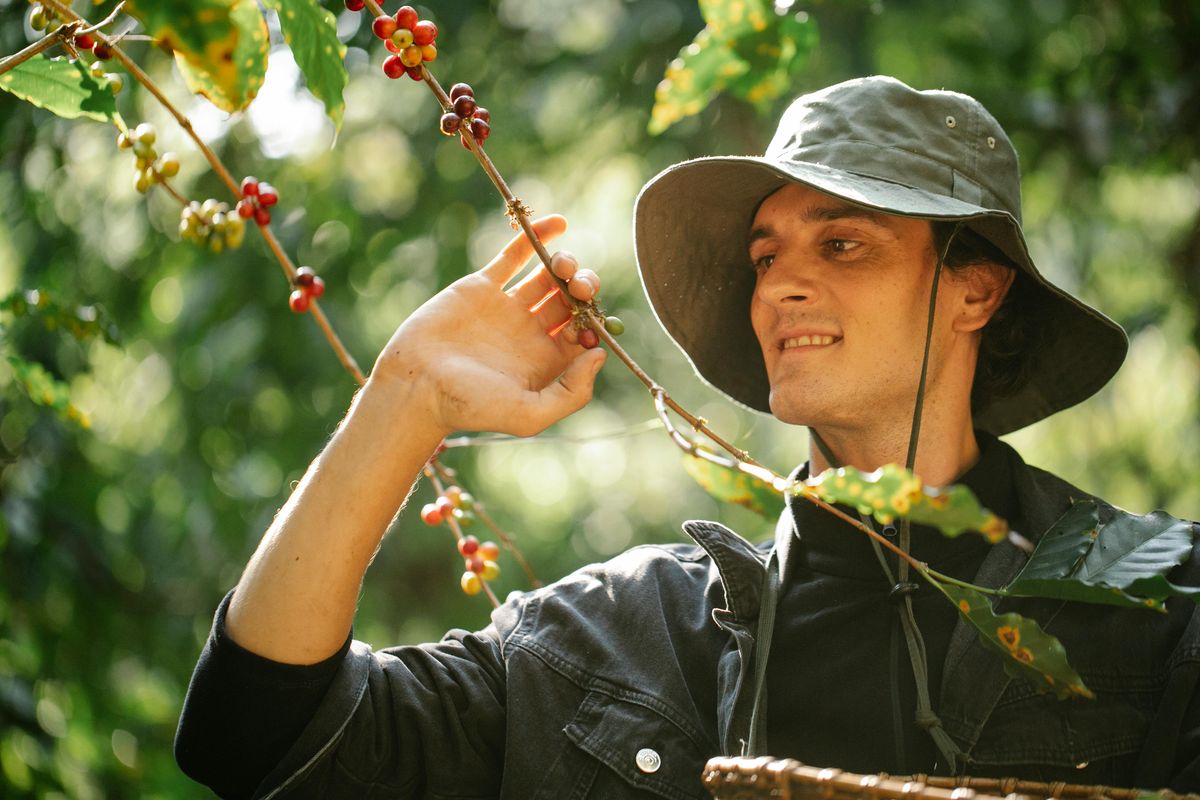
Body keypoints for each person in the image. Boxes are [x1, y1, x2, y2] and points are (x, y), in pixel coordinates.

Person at [175, 76, 1200, 798]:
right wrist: (405, 398)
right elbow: (254, 735)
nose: (783, 281)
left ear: (976, 288)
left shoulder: (1156, 605)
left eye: (843, 242)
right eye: (765, 254)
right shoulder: (622, 642)